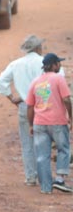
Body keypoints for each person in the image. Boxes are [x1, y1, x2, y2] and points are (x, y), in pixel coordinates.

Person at [0, 35, 50, 186]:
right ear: (38, 48)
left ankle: (30, 177)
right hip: (43, 105)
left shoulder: (15, 64)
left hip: (24, 106)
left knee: (27, 143)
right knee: (43, 142)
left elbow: (1, 81)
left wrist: (12, 98)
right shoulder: (45, 62)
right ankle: (44, 177)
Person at [26, 53, 72, 194]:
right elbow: (66, 99)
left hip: (39, 123)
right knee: (63, 149)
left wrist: (31, 125)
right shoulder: (59, 79)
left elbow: (29, 106)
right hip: (57, 121)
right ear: (53, 65)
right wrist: (71, 116)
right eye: (58, 63)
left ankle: (46, 188)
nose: (60, 65)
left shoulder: (35, 82)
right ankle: (59, 179)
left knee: (42, 156)